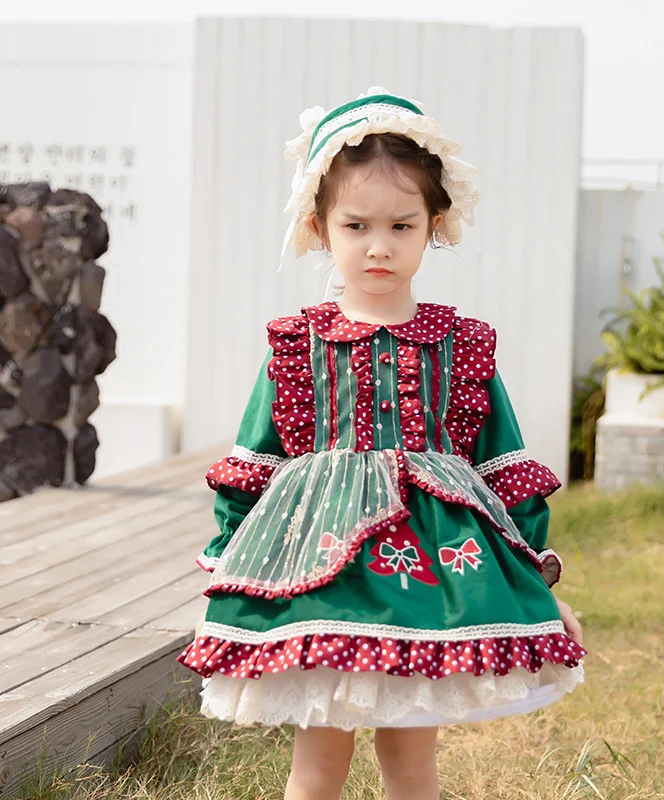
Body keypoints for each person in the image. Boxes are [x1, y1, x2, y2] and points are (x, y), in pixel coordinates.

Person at [177, 87, 587, 800]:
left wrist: (535, 575)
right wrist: (231, 559)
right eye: (356, 224)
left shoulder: (461, 346)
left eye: (401, 225)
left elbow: (501, 465)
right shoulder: (298, 345)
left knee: (411, 762)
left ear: (435, 223)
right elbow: (255, 460)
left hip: (432, 587)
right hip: (318, 581)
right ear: (320, 226)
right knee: (318, 764)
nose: (378, 245)